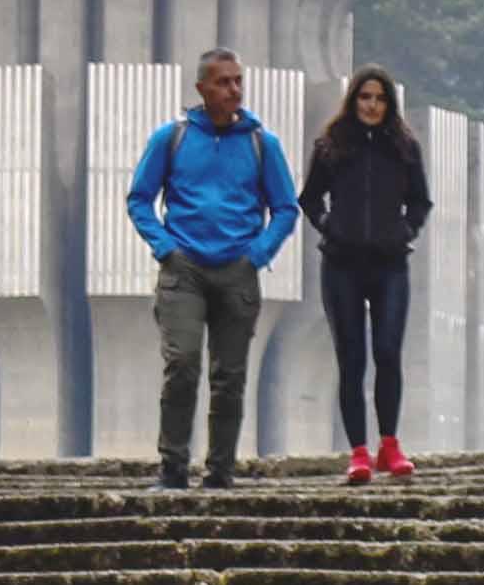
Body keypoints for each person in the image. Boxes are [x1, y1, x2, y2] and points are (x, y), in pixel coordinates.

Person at [125, 46, 299, 491]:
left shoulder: (263, 143)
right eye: (224, 82)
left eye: (238, 81)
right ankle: (173, 469)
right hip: (184, 269)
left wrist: (257, 255)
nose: (234, 90)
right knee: (181, 364)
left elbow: (285, 208)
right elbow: (139, 198)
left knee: (230, 375)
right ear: (202, 88)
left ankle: (221, 471)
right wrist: (164, 247)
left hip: (237, 271)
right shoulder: (172, 138)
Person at [298, 65, 433, 484]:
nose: (372, 105)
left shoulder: (405, 147)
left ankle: (389, 444)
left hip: (390, 264)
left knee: (388, 352)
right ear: (353, 99)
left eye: (379, 98)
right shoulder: (332, 145)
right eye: (364, 97)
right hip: (341, 265)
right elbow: (309, 198)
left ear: (389, 104)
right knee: (351, 357)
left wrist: (404, 231)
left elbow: (420, 201)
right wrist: (332, 228)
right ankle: (358, 452)